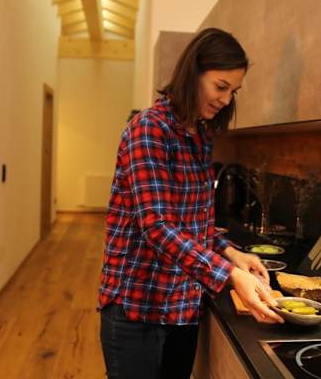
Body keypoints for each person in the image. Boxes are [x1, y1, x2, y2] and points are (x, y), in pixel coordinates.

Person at [98, 27, 283, 379]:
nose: (226, 100)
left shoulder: (199, 137)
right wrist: (230, 276)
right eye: (220, 86)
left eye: (233, 91)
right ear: (193, 73)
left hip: (182, 306)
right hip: (137, 307)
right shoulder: (149, 129)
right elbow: (156, 225)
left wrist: (232, 254)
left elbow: (192, 224)